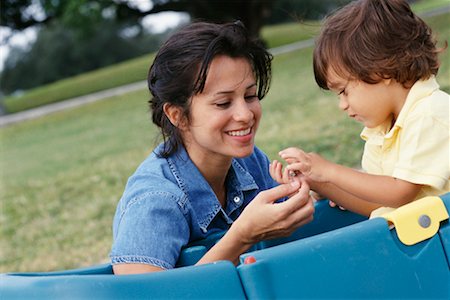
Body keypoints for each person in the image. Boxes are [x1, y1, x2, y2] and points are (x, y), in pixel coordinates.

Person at [110, 21, 315, 274]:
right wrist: (242, 236)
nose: (245, 115)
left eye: (250, 96)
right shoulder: (154, 199)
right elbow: (142, 295)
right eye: (223, 103)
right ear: (177, 115)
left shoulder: (248, 162)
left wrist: (311, 191)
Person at [270, 0, 449, 217]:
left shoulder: (429, 114)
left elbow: (399, 194)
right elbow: (379, 206)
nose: (342, 105)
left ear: (381, 69)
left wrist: (328, 171)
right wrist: (319, 182)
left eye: (344, 91)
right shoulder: (382, 129)